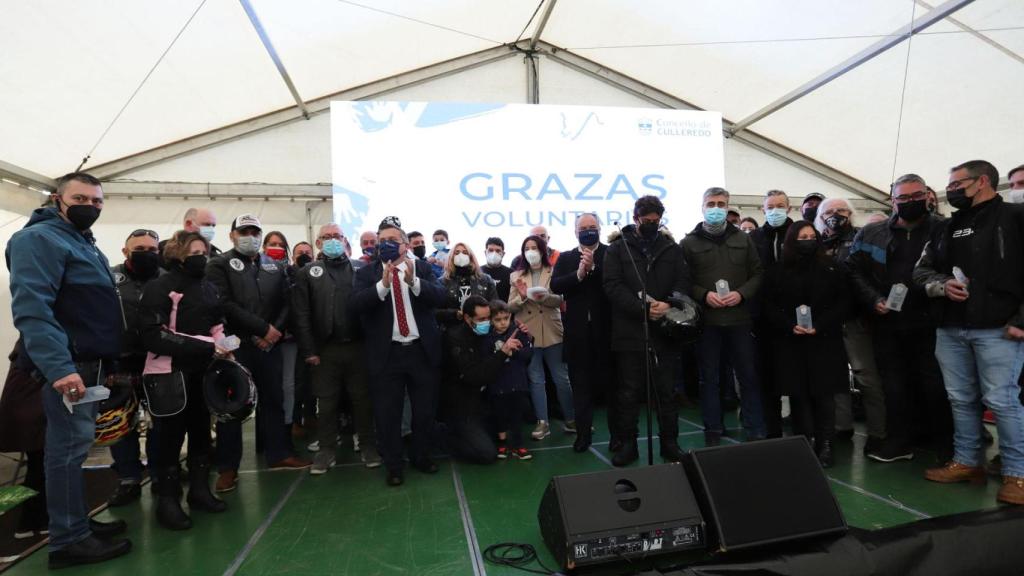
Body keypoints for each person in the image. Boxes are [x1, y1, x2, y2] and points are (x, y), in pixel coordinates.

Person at [7, 172, 132, 568]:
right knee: (64, 453)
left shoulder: (80, 242)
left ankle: (77, 524)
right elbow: (33, 309)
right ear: (56, 199)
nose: (91, 207)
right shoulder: (39, 239)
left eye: (97, 201)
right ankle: (68, 540)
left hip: (89, 363)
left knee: (75, 451)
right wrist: (60, 368)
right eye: (82, 198)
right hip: (70, 366)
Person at [914, 160, 1024, 505]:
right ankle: (967, 461)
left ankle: (1018, 474)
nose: (951, 190)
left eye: (958, 184)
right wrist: (941, 285)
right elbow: (922, 271)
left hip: (1000, 328)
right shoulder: (946, 227)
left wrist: (1022, 319)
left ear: (982, 182)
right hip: (951, 327)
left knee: (1003, 401)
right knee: (960, 399)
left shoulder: (1014, 217)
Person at [847, 173, 952, 464]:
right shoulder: (871, 233)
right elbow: (853, 270)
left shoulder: (944, 229)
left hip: (932, 320)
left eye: (916, 195)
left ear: (928, 197)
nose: (910, 202)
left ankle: (945, 444)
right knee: (893, 384)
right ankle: (899, 441)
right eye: (903, 197)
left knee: (935, 384)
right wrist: (873, 300)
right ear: (892, 200)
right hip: (888, 321)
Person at [207, 214, 309, 494]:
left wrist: (274, 330)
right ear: (232, 235)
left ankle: (279, 454)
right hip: (236, 345)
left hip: (270, 345)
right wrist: (262, 329)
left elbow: (288, 302)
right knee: (233, 407)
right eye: (244, 231)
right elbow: (224, 303)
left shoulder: (273, 265)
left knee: (274, 399)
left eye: (254, 231)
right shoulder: (219, 264)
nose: (250, 236)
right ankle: (228, 468)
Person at [140, 231, 229, 530]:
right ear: (177, 253)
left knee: (202, 432)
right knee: (169, 438)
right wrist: (207, 345)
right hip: (168, 373)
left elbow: (217, 323)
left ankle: (200, 491)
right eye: (193, 251)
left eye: (203, 251)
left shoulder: (208, 287)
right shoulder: (160, 287)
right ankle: (167, 500)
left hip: (202, 371)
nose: (200, 256)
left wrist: (224, 346)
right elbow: (154, 334)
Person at [351, 217, 447, 486]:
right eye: (382, 242)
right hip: (387, 355)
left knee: (424, 411)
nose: (386, 245)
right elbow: (356, 305)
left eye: (392, 241)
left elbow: (441, 297)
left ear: (405, 244)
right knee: (387, 414)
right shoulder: (366, 273)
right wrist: (381, 286)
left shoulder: (424, 269)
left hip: (421, 352)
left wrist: (414, 282)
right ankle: (394, 465)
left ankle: (421, 456)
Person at [604, 195, 692, 465]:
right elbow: (612, 286)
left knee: (666, 392)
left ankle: (670, 443)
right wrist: (641, 309)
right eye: (647, 220)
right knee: (629, 392)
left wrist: (670, 303)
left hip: (665, 330)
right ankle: (629, 444)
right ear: (635, 218)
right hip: (630, 331)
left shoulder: (671, 248)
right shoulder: (618, 249)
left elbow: (683, 281)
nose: (652, 224)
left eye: (656, 221)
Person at [292, 223, 380, 474]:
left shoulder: (360, 268)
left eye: (337, 236)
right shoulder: (307, 272)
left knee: (362, 401)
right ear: (318, 243)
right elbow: (301, 314)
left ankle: (367, 445)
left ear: (345, 240)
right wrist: (309, 350)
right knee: (327, 402)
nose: (332, 240)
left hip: (359, 347)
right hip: (325, 350)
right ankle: (326, 450)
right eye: (327, 237)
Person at [682, 187, 766, 445]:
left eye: (721, 203)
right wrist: (704, 294)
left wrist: (741, 294)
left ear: (728, 206)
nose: (716, 208)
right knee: (710, 379)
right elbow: (683, 281)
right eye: (711, 203)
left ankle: (755, 428)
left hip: (739, 320)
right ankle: (713, 429)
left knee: (748, 375)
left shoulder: (744, 239)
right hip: (707, 323)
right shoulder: (688, 243)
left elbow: (758, 273)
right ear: (702, 207)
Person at [762, 221, 850, 467]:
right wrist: (789, 325)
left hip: (824, 341)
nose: (808, 241)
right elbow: (768, 305)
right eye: (802, 237)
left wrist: (819, 325)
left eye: (812, 236)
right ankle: (804, 442)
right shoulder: (777, 271)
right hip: (791, 341)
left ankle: (826, 445)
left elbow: (842, 303)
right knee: (798, 394)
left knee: (824, 396)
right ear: (792, 240)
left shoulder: (833, 268)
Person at [814, 198, 886, 448]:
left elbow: (869, 278)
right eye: (829, 212)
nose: (835, 215)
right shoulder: (815, 243)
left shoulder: (860, 239)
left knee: (866, 376)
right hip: (826, 322)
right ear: (820, 216)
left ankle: (878, 432)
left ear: (851, 214)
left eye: (841, 210)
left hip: (856, 319)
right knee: (834, 378)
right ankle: (840, 426)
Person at [106, 229, 163, 507]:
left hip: (159, 361)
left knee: (161, 419)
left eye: (152, 249)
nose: (147, 253)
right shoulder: (108, 277)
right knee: (121, 421)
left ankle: (159, 470)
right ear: (125, 251)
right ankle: (128, 478)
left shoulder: (166, 279)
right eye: (139, 248)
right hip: (120, 361)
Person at [551, 213, 616, 452]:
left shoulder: (612, 252)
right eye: (583, 227)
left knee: (612, 387)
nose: (588, 231)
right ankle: (583, 436)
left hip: (608, 331)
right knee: (581, 388)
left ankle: (617, 436)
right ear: (575, 231)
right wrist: (579, 273)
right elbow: (555, 285)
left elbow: (617, 282)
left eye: (592, 227)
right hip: (578, 334)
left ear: (600, 228)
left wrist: (593, 268)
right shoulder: (566, 257)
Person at [443, 295, 523, 464]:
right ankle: (444, 436)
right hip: (463, 404)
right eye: (481, 319)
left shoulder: (488, 333)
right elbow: (474, 376)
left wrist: (524, 335)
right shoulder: (455, 337)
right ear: (467, 318)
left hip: (485, 400)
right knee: (486, 454)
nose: (487, 322)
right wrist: (502, 353)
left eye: (488, 318)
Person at [510, 234, 575, 440]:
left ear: (543, 250)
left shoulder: (554, 271)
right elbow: (509, 306)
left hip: (552, 330)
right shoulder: (516, 276)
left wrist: (544, 297)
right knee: (536, 379)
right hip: (528, 332)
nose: (531, 251)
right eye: (527, 247)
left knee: (561, 378)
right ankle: (542, 422)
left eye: (535, 247)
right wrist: (521, 297)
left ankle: (571, 419)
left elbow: (561, 300)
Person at [750, 189, 795, 438]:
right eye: (771, 206)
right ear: (763, 210)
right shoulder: (754, 237)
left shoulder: (799, 233)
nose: (775, 210)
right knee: (767, 380)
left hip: (795, 318)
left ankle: (802, 430)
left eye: (780, 206)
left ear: (788, 208)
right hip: (763, 320)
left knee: (795, 377)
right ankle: (772, 432)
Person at [484, 300, 534, 460]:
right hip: (498, 386)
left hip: (517, 384)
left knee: (517, 416)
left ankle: (518, 445)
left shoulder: (519, 332)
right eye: (498, 320)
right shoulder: (487, 337)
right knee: (500, 416)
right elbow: (486, 360)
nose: (503, 323)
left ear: (510, 316)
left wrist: (514, 354)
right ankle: (503, 444)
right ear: (491, 320)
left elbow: (528, 354)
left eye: (505, 318)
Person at [436, 242, 497, 328]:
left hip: (482, 328)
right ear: (451, 257)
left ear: (471, 257)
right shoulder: (442, 282)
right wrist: (455, 314)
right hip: (453, 331)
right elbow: (436, 311)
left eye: (465, 252)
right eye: (457, 253)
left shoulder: (485, 279)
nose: (461, 255)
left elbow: (495, 305)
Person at [482, 237, 512, 302]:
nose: (494, 253)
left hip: (504, 311)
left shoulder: (511, 273)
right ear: (485, 252)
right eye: (490, 250)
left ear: (503, 254)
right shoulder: (478, 272)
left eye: (498, 251)